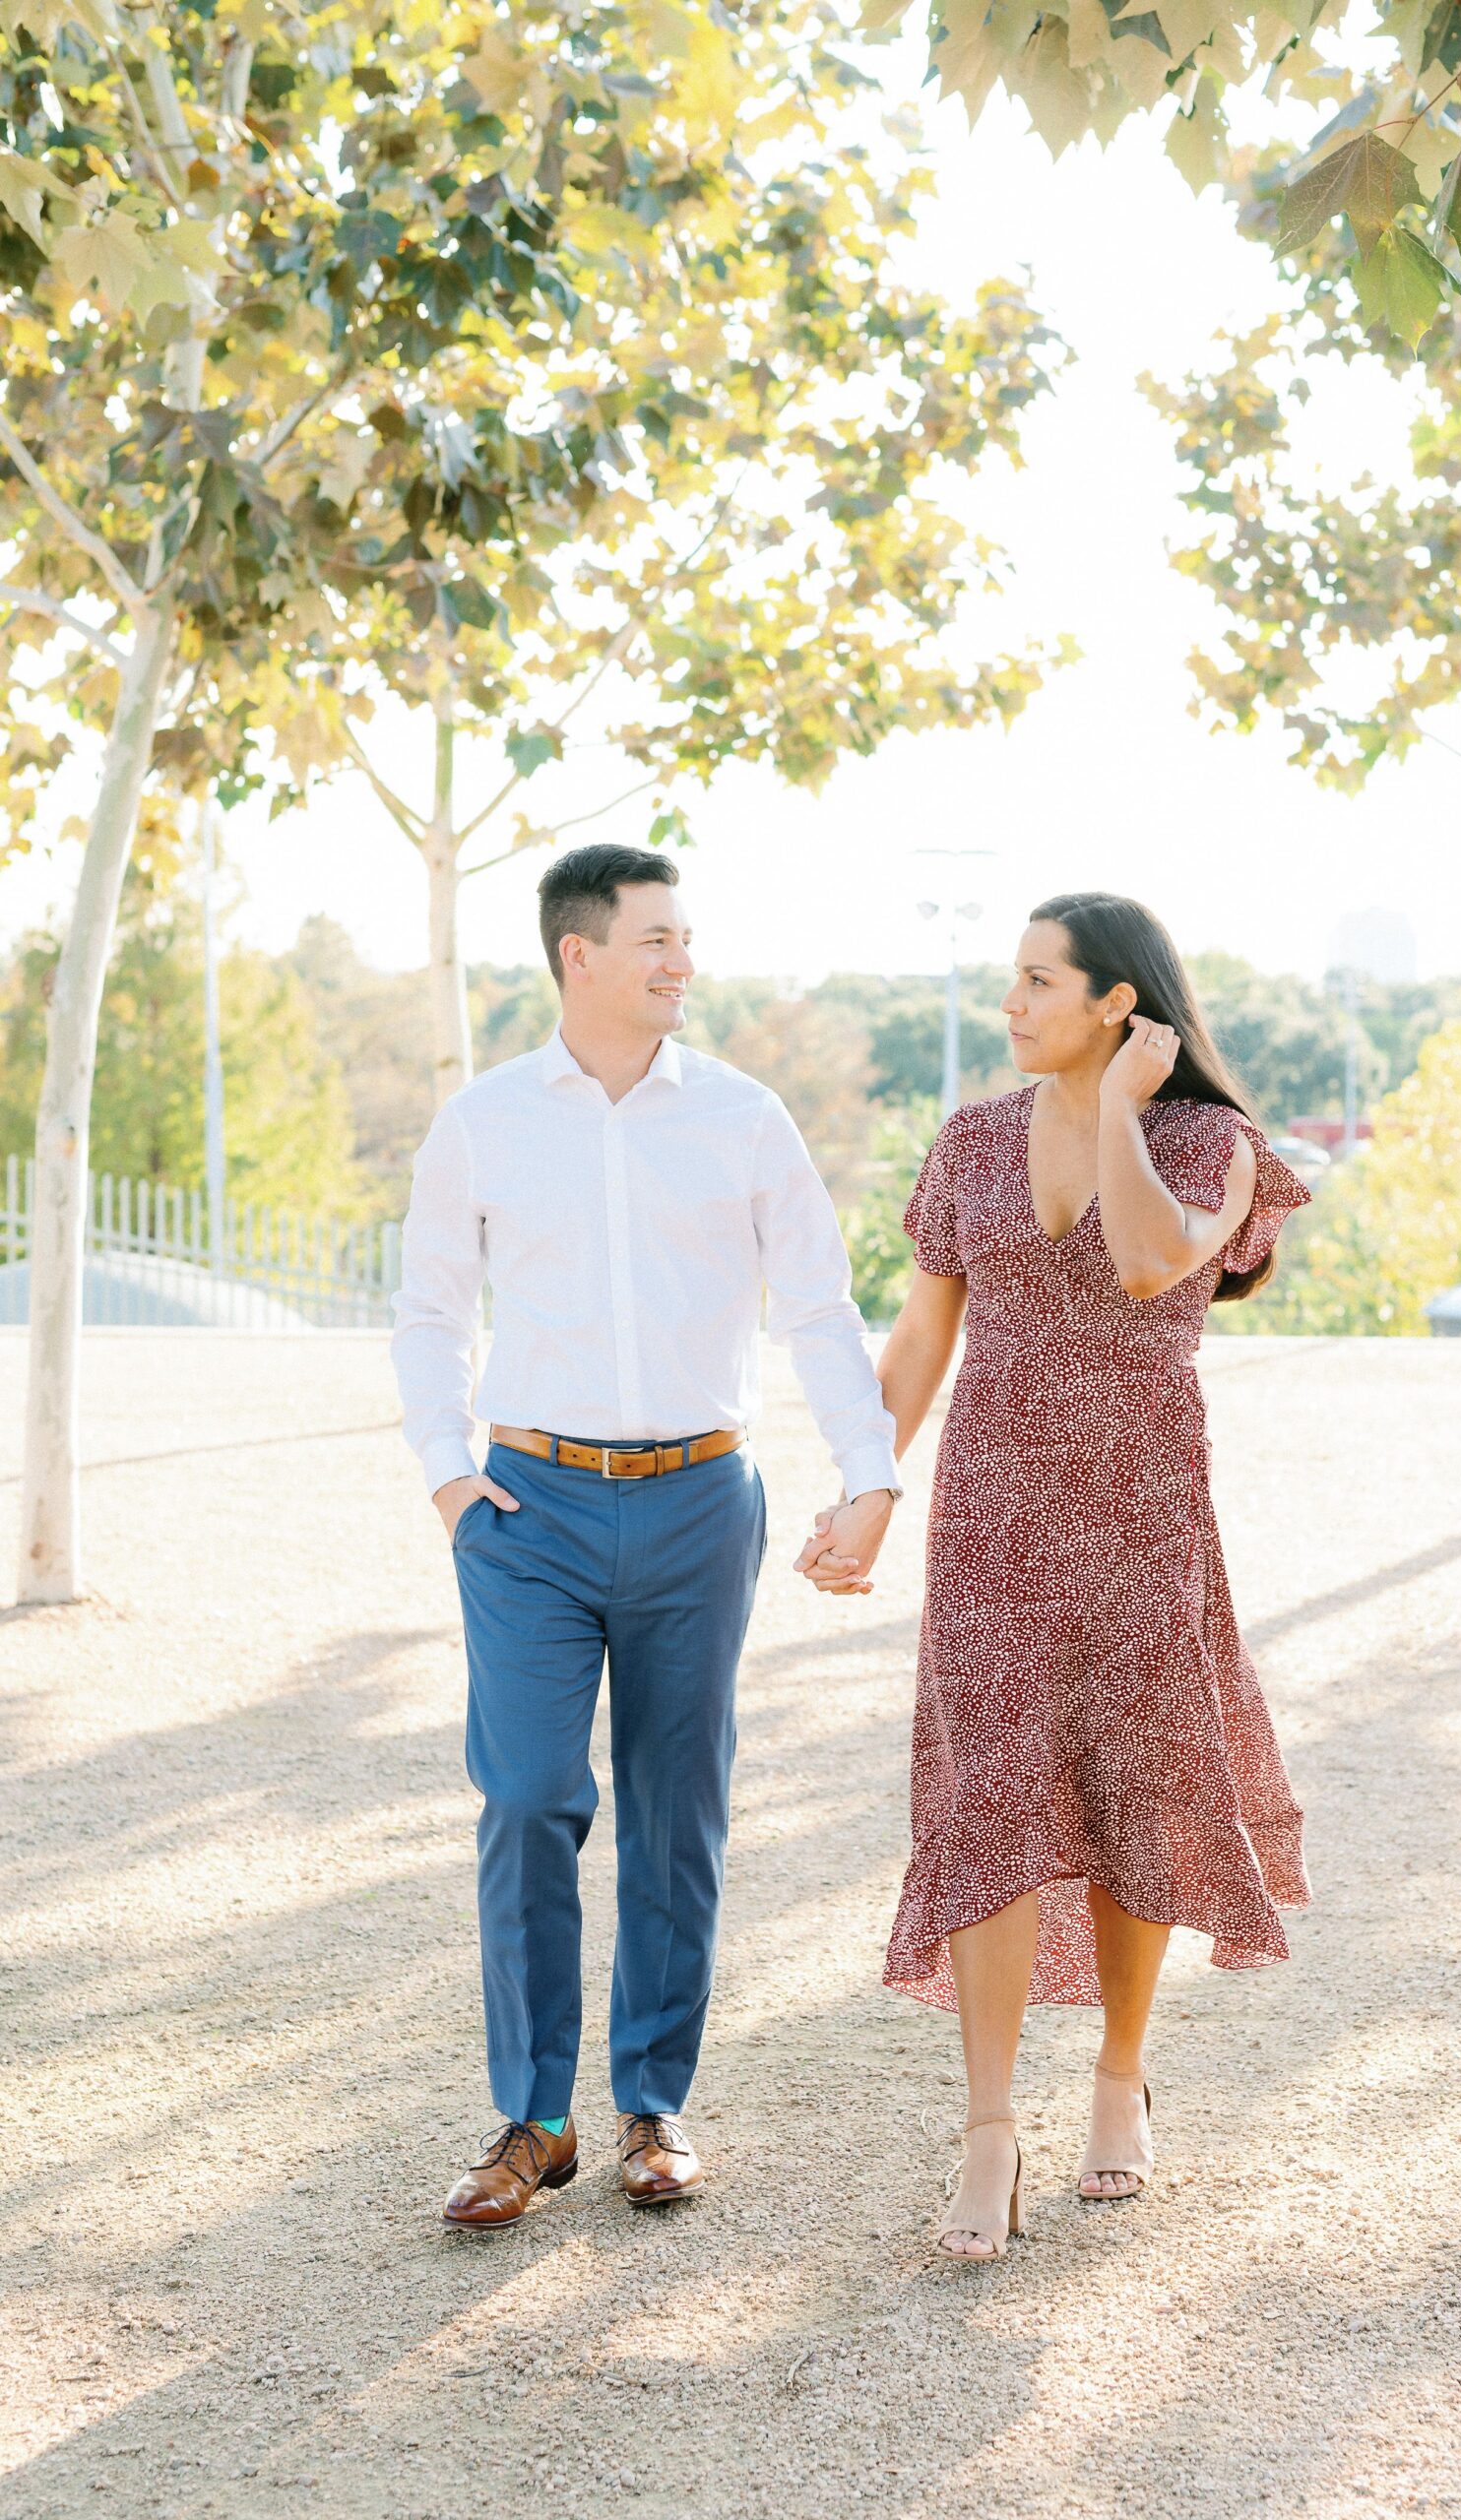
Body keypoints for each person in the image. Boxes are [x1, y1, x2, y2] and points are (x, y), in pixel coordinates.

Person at [798, 891, 1312, 2260]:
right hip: (991, 1519)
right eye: (1010, 979)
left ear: (1117, 1004)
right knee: (991, 1799)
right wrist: (866, 1489)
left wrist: (1126, 1112)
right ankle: (984, 2131)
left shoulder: (1215, 1145)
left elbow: (1149, 1264)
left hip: (1141, 1511)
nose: (1012, 1004)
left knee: (1130, 1785)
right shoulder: (966, 1142)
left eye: (1038, 981)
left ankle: (1117, 2076)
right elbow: (917, 1343)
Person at [392, 841, 899, 2227]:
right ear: (581, 955)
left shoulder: (742, 1118)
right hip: (529, 1509)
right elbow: (430, 1310)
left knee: (678, 1812)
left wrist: (873, 1470)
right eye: (658, 940)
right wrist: (450, 1479)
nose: (684, 961)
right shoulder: (486, 1121)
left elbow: (817, 1307)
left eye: (687, 938)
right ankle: (532, 2120)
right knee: (530, 1798)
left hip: (696, 1501)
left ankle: (652, 2104)